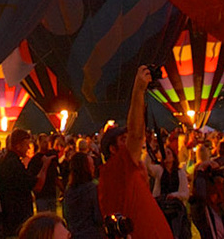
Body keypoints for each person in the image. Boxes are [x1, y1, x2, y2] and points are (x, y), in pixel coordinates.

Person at [97, 69, 171, 239]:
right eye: (124, 139)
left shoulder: (125, 173)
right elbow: (137, 134)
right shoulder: (115, 170)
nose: (129, 142)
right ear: (112, 149)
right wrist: (138, 89)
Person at [0, 134, 38, 239]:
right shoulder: (13, 164)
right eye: (26, 145)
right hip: (15, 218)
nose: (28, 148)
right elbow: (31, 185)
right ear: (17, 146)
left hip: (8, 217)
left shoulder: (4, 161)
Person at [59, 154, 100, 239]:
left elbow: (66, 215)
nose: (94, 167)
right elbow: (98, 216)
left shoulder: (68, 191)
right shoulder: (92, 189)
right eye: (91, 165)